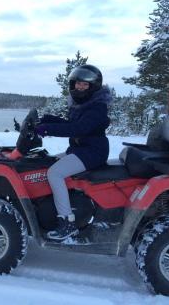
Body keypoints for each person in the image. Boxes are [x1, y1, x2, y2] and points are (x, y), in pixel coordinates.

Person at [34, 65, 111, 240]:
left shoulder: (97, 107)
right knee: (47, 162)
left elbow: (78, 128)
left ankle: (67, 222)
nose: (80, 87)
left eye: (85, 84)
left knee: (54, 173)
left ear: (93, 86)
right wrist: (45, 119)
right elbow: (69, 122)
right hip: (80, 149)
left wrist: (47, 129)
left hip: (92, 153)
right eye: (77, 84)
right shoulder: (82, 104)